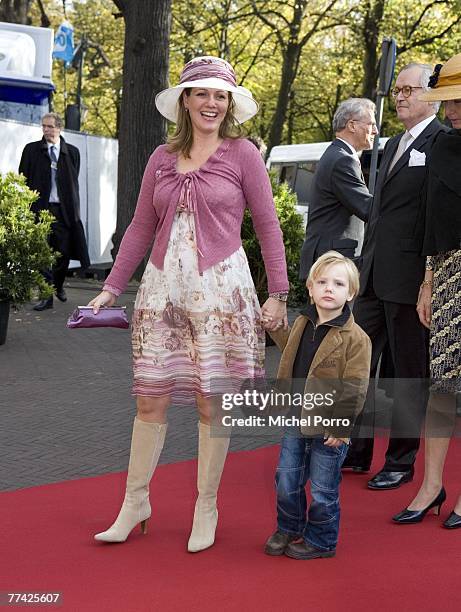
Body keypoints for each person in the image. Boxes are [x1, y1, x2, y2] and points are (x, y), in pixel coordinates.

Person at [90, 56, 289, 550]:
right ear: (185, 100)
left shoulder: (243, 154)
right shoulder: (161, 157)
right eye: (202, 93)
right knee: (150, 398)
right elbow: (140, 227)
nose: (212, 103)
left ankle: (207, 506)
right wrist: (112, 287)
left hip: (222, 294)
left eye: (220, 95)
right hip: (161, 293)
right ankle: (135, 501)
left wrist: (279, 294)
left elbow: (267, 226)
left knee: (210, 401)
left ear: (230, 104)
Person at [343, 63, 448, 489]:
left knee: (408, 374)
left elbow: (435, 218)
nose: (400, 96)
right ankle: (355, 447)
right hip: (372, 277)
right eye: (397, 89)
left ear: (431, 95)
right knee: (357, 365)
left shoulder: (443, 142)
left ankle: (401, 461)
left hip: (409, 281)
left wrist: (428, 278)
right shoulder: (391, 143)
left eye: (409, 89)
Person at [264, 251, 371, 559]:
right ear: (310, 287)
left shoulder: (356, 339)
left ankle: (322, 540)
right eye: (322, 281)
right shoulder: (302, 322)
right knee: (286, 479)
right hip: (295, 419)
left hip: (329, 427)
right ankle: (289, 527)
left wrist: (341, 424)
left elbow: (355, 386)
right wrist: (275, 328)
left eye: (338, 283)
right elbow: (290, 352)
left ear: (350, 293)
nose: (329, 288)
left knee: (324, 489)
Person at [392, 54, 461, 528]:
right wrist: (427, 281)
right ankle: (431, 485)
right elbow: (433, 223)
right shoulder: (444, 149)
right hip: (449, 274)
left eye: (456, 99)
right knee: (441, 385)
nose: (450, 109)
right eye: (445, 100)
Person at [298, 98, 376, 280]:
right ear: (352, 125)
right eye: (371, 124)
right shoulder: (343, 160)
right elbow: (368, 208)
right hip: (331, 263)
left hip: (330, 260)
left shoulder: (337, 154)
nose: (375, 130)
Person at [19, 112, 89, 310]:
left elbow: (73, 181)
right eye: (44, 126)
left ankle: (57, 285)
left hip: (64, 211)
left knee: (63, 253)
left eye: (50, 126)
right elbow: (23, 176)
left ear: (59, 128)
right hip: (41, 209)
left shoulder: (72, 152)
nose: (46, 130)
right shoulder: (32, 150)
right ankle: (46, 296)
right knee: (43, 253)